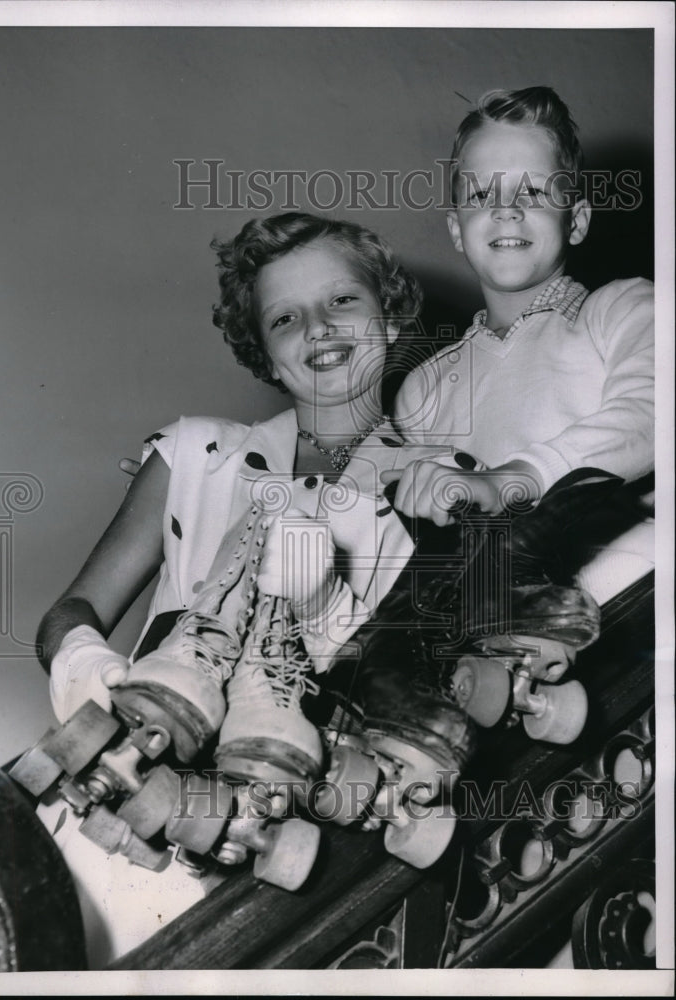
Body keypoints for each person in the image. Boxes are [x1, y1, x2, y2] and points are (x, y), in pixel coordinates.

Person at [33, 212, 453, 964]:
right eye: (285, 317)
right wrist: (98, 677)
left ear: (390, 316)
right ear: (264, 352)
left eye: (342, 300)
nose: (318, 329)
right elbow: (71, 611)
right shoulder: (197, 455)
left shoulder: (444, 497)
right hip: (118, 802)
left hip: (279, 851)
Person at [354, 87, 654, 742]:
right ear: (455, 227)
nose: (506, 209)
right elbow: (374, 506)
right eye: (481, 194)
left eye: (533, 192)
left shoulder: (620, 309)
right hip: (474, 616)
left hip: (612, 580)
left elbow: (650, 413)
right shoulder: (423, 388)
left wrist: (512, 479)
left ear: (576, 219)